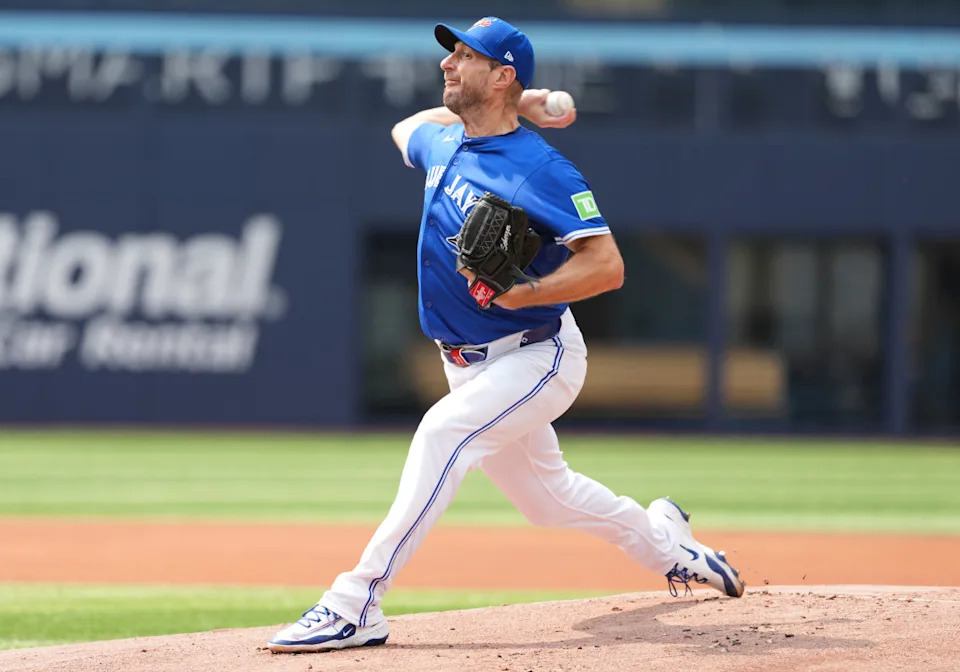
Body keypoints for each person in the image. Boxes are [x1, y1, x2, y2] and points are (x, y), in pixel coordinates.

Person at [267, 16, 743, 653]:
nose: (447, 64)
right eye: (451, 53)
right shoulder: (445, 141)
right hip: (465, 361)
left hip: (537, 355)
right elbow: (401, 129)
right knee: (549, 500)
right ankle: (668, 542)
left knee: (443, 433)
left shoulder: (541, 169)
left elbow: (608, 266)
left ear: (501, 71)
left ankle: (356, 603)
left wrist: (528, 292)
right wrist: (526, 102)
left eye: (465, 55)